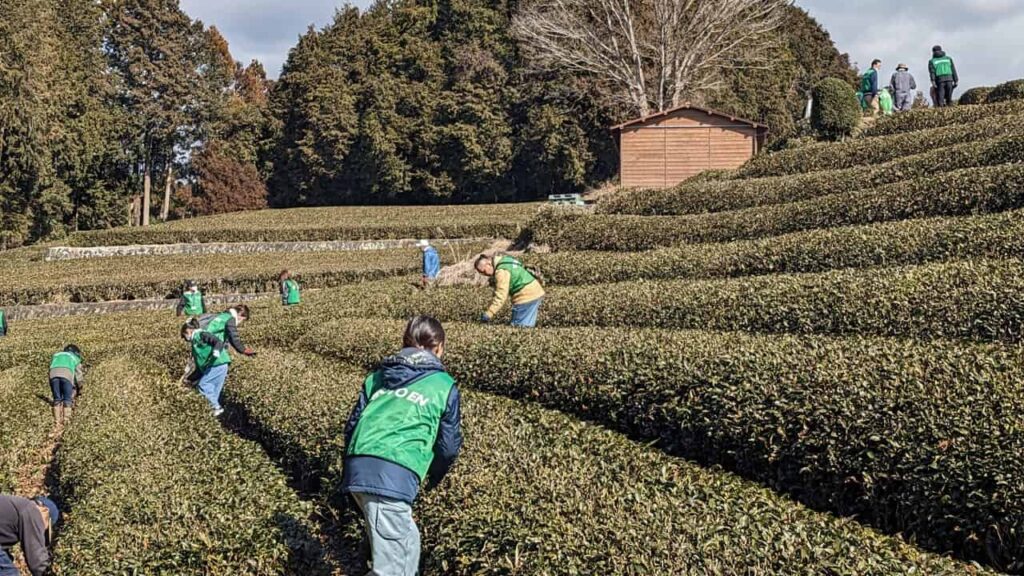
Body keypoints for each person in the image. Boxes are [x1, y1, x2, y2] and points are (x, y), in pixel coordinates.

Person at [341, 316, 462, 576]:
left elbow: (351, 427)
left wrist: (352, 470)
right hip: (392, 473)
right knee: (393, 568)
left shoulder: (378, 376)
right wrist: (433, 477)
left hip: (361, 465)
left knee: (408, 546)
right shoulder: (444, 385)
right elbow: (448, 446)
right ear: (439, 347)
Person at [475, 253, 545, 328]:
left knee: (518, 328)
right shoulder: (505, 260)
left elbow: (501, 296)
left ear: (488, 263)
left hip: (526, 297)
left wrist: (489, 314)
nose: (484, 274)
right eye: (481, 273)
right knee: (526, 326)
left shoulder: (501, 271)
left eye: (484, 271)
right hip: (535, 291)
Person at [181, 319, 230, 416]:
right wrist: (189, 379)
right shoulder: (195, 343)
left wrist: (216, 351)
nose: (185, 338)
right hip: (214, 366)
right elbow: (200, 368)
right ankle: (217, 416)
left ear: (188, 331)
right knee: (213, 393)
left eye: (184, 335)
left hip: (218, 364)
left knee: (203, 385)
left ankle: (217, 408)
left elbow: (218, 342)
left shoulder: (201, 334)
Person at [0, 495, 58, 576]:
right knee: (9, 573)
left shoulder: (19, 507)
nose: (41, 531)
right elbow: (37, 560)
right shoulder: (32, 511)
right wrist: (47, 573)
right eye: (45, 527)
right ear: (45, 510)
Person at [49, 345, 84, 424]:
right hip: (66, 375)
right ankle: (66, 420)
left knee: (57, 399)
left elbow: (51, 367)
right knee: (67, 399)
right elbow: (79, 376)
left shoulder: (56, 355)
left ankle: (57, 421)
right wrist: (80, 387)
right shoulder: (75, 358)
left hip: (53, 375)